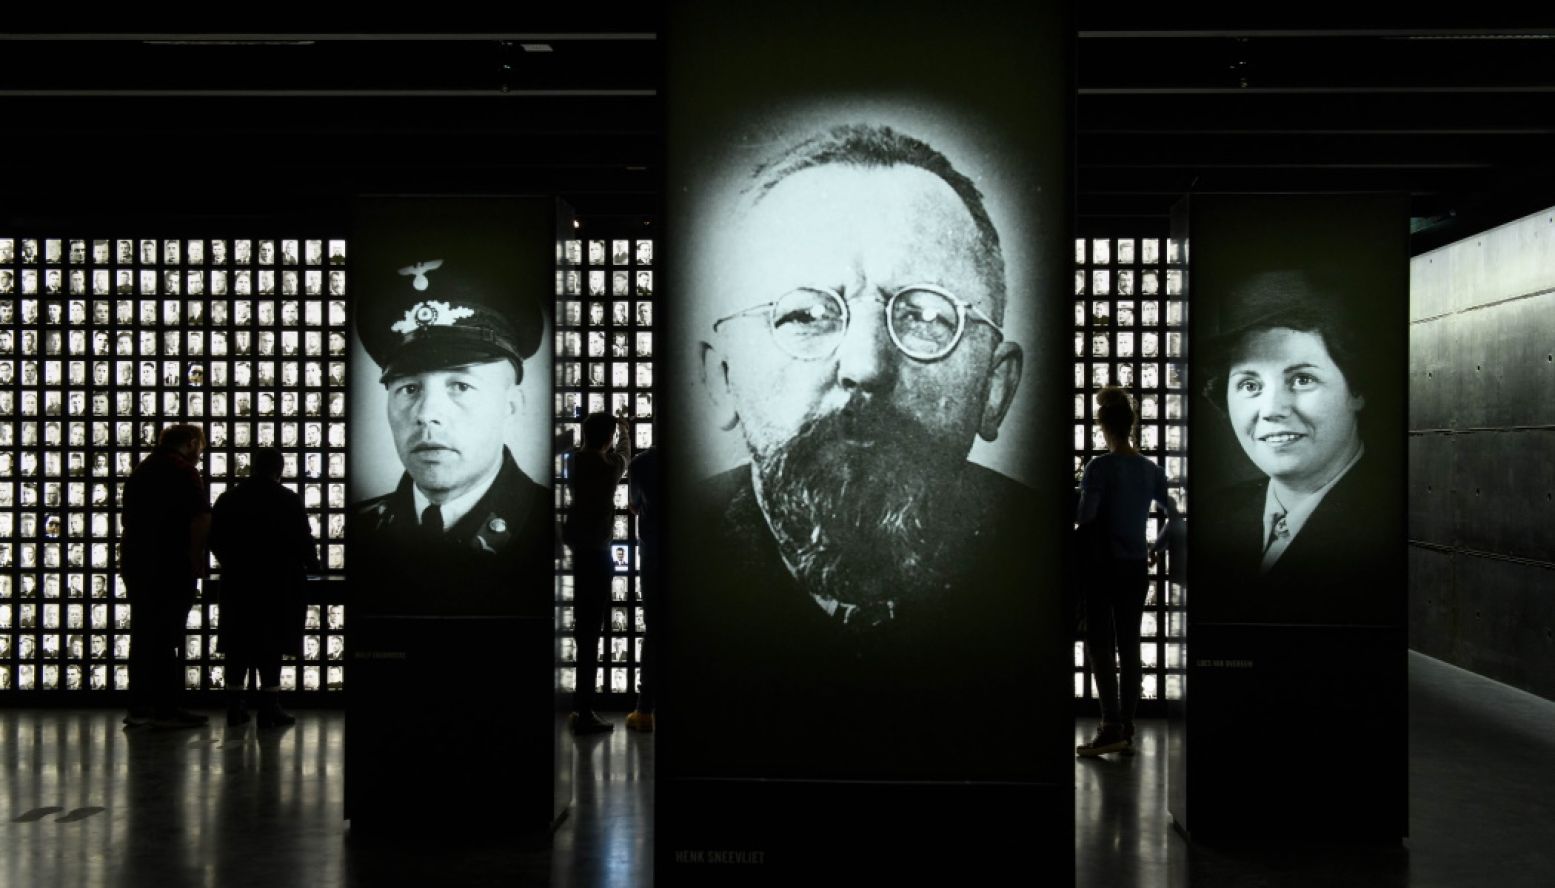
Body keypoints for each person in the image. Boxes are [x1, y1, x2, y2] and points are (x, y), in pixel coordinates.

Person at [682, 122, 1041, 777]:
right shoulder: (682, 549)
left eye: (928, 316)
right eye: (804, 314)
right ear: (723, 376)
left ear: (995, 387)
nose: (866, 365)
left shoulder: (1042, 553)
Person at [352, 240, 550, 616]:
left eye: (460, 386)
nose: (427, 414)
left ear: (510, 406)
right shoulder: (359, 530)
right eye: (408, 388)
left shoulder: (551, 528)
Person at [1196, 269, 1393, 625]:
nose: (1271, 410)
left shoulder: (1388, 527)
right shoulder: (1215, 517)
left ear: (1357, 389)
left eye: (1302, 379)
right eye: (1250, 385)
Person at [1073, 387, 1181, 757]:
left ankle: (1110, 724)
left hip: (1102, 566)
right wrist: (1156, 546)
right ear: (1131, 425)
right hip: (1135, 567)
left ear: (1104, 426)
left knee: (1100, 645)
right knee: (1130, 644)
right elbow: (1175, 518)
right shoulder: (1151, 470)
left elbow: (1086, 517)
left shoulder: (1099, 468)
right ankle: (1128, 725)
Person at [210, 447, 321, 728]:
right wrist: (314, 566)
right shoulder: (287, 499)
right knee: (270, 644)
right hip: (278, 584)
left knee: (238, 643)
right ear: (279, 470)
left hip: (238, 583)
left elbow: (215, 538)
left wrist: (232, 563)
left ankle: (234, 707)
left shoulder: (229, 498)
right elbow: (303, 538)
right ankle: (269, 707)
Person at [120, 424, 211, 728]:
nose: (201, 454)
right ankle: (166, 709)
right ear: (189, 443)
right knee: (165, 636)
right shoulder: (184, 472)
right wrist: (196, 558)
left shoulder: (142, 470)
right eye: (200, 447)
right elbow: (200, 517)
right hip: (170, 564)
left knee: (144, 633)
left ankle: (140, 708)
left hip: (138, 562)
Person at [563, 412, 631, 735]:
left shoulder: (574, 463)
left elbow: (584, 449)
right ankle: (586, 710)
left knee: (583, 629)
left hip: (578, 553)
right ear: (608, 439)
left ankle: (581, 706)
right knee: (592, 631)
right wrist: (625, 430)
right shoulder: (609, 468)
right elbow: (626, 455)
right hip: (599, 555)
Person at [625, 445, 659, 733]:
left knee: (655, 629)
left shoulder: (641, 463)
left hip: (653, 554)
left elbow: (634, 505)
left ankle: (644, 709)